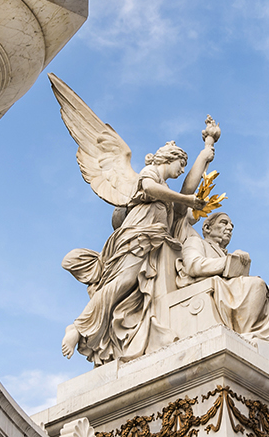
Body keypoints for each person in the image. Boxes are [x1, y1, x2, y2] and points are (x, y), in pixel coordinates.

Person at [61, 135, 213, 364]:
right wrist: (186, 198)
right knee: (122, 282)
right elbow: (153, 190)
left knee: (131, 286)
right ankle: (77, 327)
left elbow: (186, 191)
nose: (182, 170)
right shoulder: (149, 174)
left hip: (152, 243)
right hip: (136, 237)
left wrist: (207, 150)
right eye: (181, 164)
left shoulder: (166, 189)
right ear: (169, 159)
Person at [179, 211, 269, 357]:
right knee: (257, 285)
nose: (229, 228)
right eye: (224, 223)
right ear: (207, 228)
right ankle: (247, 334)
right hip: (210, 288)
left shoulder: (223, 253)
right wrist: (229, 261)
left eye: (231, 225)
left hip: (228, 289)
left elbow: (236, 279)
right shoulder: (195, 241)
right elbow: (194, 265)